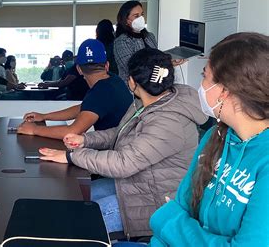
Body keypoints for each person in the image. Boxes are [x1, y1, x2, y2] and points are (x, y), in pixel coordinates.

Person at [39, 48, 208, 239]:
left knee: (76, 219)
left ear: (133, 82)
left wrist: (71, 156)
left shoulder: (169, 120)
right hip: (136, 183)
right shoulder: (146, 102)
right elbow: (120, 133)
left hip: (153, 202)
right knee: (75, 198)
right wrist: (85, 139)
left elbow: (123, 163)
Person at [150, 33, 269, 246]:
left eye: (204, 76)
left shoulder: (264, 160)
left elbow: (167, 218)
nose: (201, 86)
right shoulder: (216, 136)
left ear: (224, 90)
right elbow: (180, 208)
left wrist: (167, 222)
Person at [18, 39, 132, 140]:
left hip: (115, 154)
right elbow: (84, 108)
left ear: (79, 69)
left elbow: (72, 132)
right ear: (106, 65)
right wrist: (44, 116)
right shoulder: (114, 81)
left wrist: (34, 130)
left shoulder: (100, 92)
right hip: (126, 146)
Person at [114, 1, 158, 82]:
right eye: (136, 16)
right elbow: (132, 68)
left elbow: (157, 57)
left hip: (154, 86)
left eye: (142, 14)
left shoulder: (150, 36)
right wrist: (163, 64)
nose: (141, 18)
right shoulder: (121, 41)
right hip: (131, 89)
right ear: (126, 20)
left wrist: (169, 61)